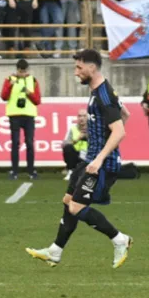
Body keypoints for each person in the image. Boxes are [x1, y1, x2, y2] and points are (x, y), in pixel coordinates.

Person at [25, 48, 133, 269]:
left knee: (75, 206)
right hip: (91, 159)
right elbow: (126, 115)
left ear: (92, 67)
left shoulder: (103, 95)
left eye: (79, 67)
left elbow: (120, 131)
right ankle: (55, 251)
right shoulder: (99, 91)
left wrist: (101, 158)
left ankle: (119, 239)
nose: (76, 72)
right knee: (68, 201)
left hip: (101, 163)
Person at [1, 58, 41, 180]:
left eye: (24, 71)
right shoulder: (9, 79)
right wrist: (10, 86)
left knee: (29, 142)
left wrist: (29, 93)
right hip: (14, 114)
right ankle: (14, 171)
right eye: (20, 71)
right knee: (15, 143)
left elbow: (37, 100)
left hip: (29, 115)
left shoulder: (33, 80)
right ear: (17, 70)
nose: (22, 74)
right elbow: (3, 96)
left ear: (27, 70)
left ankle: (31, 170)